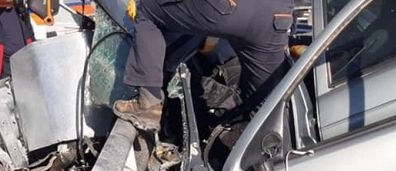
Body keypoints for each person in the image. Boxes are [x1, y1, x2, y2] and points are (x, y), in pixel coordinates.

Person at [114, 0, 294, 131]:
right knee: (267, 106)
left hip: (229, 7)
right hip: (277, 14)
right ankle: (278, 166)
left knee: (146, 9)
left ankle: (148, 104)